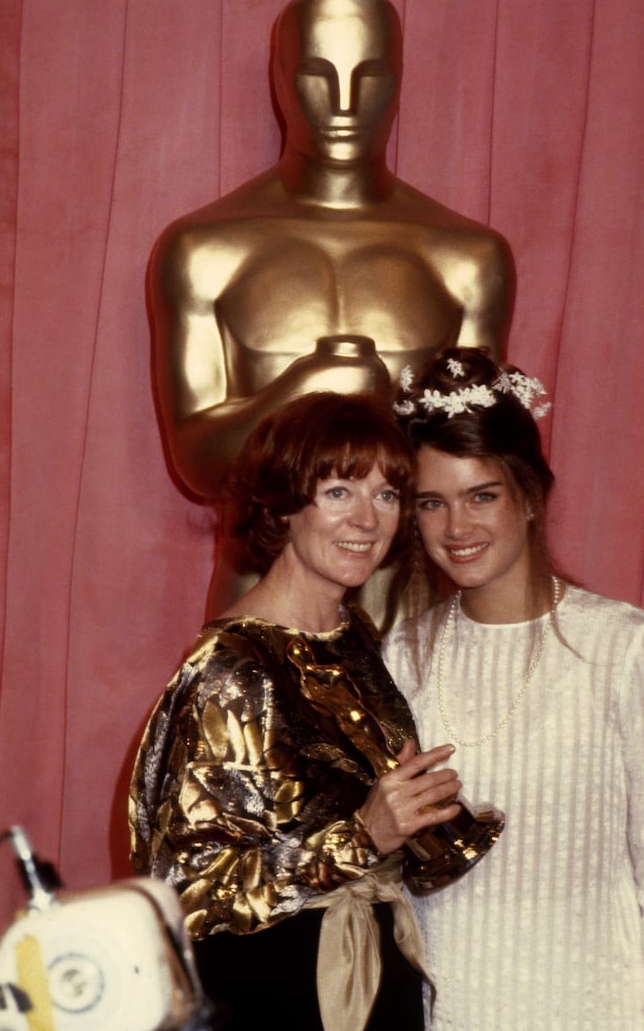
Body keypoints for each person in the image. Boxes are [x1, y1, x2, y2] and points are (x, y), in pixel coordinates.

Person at [148, 0, 514, 620]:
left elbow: (468, 462)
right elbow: (198, 464)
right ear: (280, 81)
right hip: (265, 609)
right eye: (318, 75)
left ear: (398, 83)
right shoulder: (205, 248)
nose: (344, 104)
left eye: (369, 77)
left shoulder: (467, 258)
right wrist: (305, 388)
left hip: (409, 614)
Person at [384, 348, 644, 1031]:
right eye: (432, 504)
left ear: (529, 497)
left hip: (595, 1010)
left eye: (482, 496)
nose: (457, 528)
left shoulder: (622, 645)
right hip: (455, 1014)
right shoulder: (403, 656)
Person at [128, 391, 464, 1031]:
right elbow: (186, 894)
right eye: (340, 491)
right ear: (285, 504)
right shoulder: (232, 667)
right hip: (279, 996)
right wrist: (360, 837)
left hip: (371, 972)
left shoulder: (352, 633)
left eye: (387, 495)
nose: (368, 519)